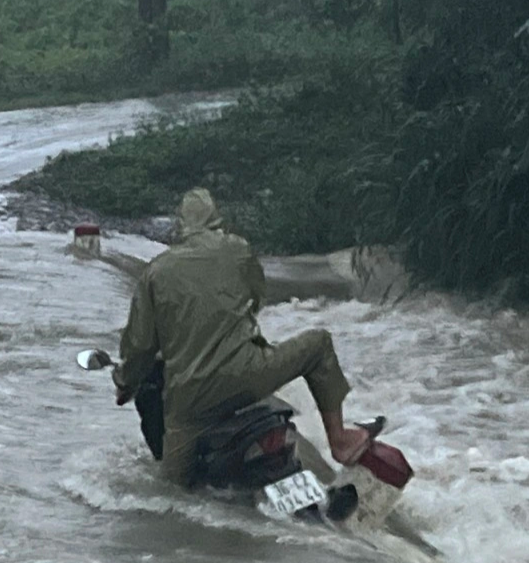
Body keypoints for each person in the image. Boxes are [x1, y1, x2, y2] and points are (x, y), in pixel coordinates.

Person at [111, 188, 370, 487]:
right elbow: (256, 300)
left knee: (172, 492)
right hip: (251, 375)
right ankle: (340, 440)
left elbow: (140, 347)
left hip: (190, 401)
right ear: (216, 219)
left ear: (180, 225)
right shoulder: (238, 249)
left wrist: (125, 384)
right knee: (319, 344)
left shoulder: (155, 272)